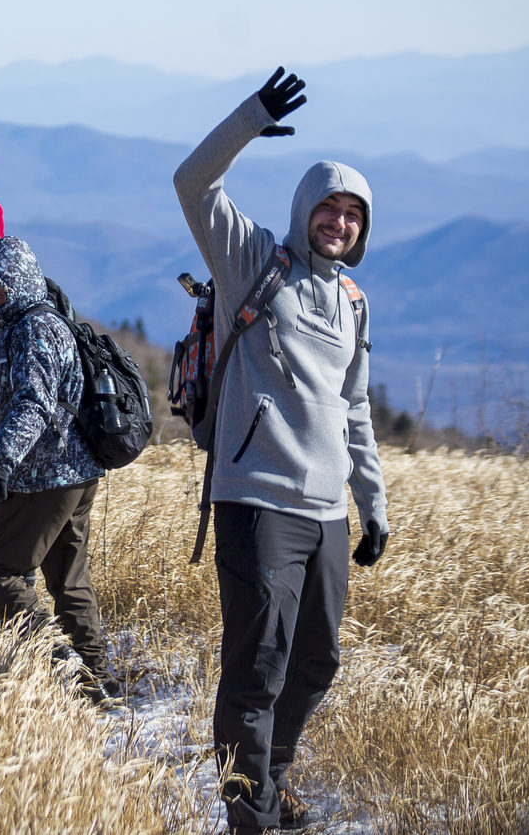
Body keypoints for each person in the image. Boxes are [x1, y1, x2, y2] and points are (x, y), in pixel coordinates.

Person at [175, 68, 389, 835]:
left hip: (327, 511)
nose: (338, 221)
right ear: (304, 210)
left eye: (351, 213)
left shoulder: (355, 302)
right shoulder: (253, 260)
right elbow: (192, 181)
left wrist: (374, 503)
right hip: (257, 498)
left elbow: (354, 406)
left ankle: (271, 778)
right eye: (327, 207)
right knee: (258, 670)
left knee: (316, 661)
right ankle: (249, 814)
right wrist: (250, 119)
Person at [0, 235, 117, 703]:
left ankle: (57, 656)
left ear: (18, 282)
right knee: (68, 577)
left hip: (46, 474)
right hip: (71, 471)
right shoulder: (21, 322)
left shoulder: (35, 329)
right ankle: (97, 680)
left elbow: (35, 401)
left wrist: (1, 457)